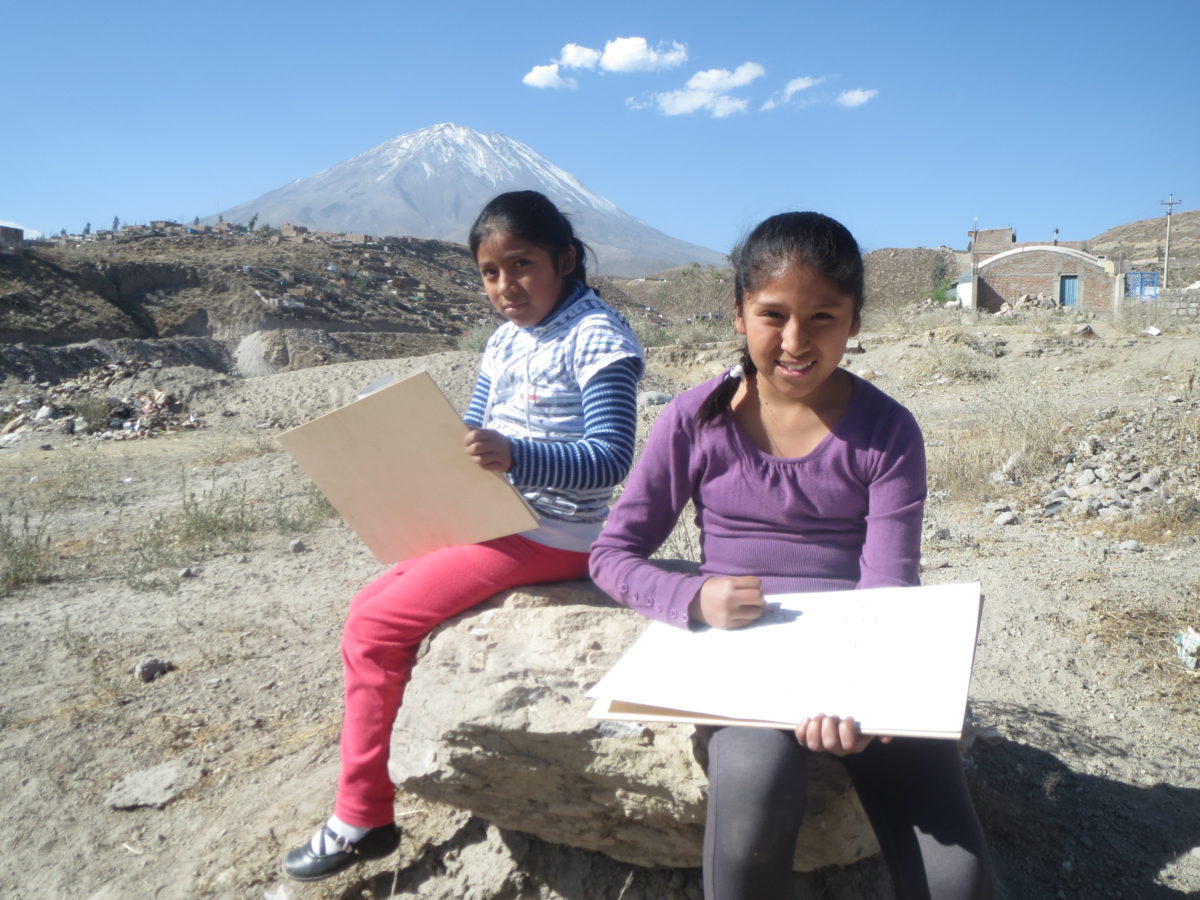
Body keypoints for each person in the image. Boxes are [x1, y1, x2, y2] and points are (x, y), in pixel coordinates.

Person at [589, 212, 993, 899]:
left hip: (862, 657)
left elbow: (887, 588)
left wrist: (860, 696)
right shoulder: (693, 420)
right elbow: (612, 555)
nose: (796, 341)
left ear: (856, 321)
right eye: (773, 314)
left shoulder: (887, 432)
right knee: (754, 787)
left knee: (959, 879)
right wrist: (692, 599)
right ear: (740, 315)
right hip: (743, 664)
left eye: (824, 317)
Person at [283, 190, 644, 882]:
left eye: (522, 264)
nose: (506, 286)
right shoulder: (506, 339)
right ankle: (373, 792)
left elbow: (610, 457)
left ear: (565, 259)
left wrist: (515, 455)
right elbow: (468, 435)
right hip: (497, 514)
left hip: (553, 530)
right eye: (489, 272)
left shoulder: (598, 336)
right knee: (377, 594)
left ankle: (363, 814)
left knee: (374, 622)